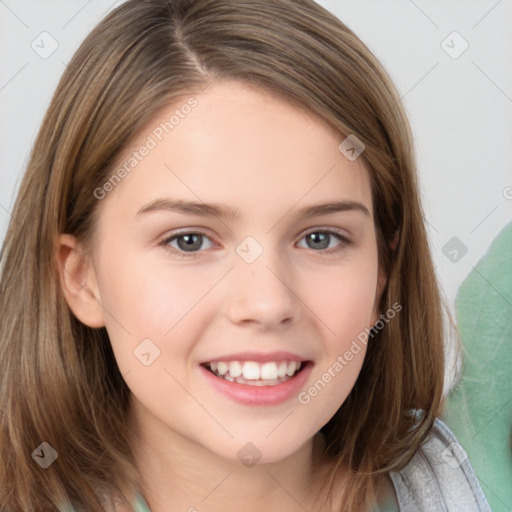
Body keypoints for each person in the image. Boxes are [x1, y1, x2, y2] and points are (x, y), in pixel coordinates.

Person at [0, 0, 491, 510]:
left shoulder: (473, 482)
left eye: (320, 238)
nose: (266, 302)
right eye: (189, 240)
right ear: (82, 278)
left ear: (381, 273)